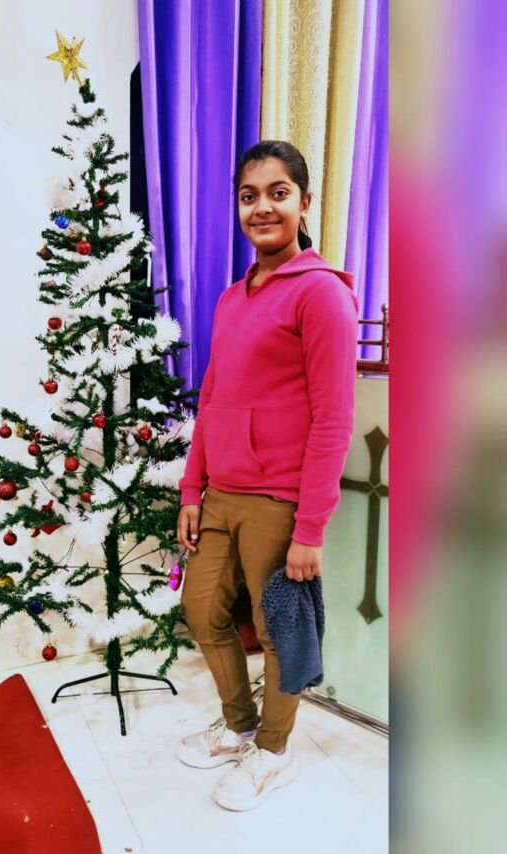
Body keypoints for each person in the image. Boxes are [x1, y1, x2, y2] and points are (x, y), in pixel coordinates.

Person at [175, 140, 358, 811]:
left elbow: (334, 420)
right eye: (249, 196)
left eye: (278, 193)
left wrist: (311, 528)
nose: (262, 208)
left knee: (280, 629)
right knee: (201, 609)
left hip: (279, 500)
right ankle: (239, 724)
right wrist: (192, 489)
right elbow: (212, 400)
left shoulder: (322, 295)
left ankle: (274, 751)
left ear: (304, 202)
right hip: (221, 492)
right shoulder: (231, 298)